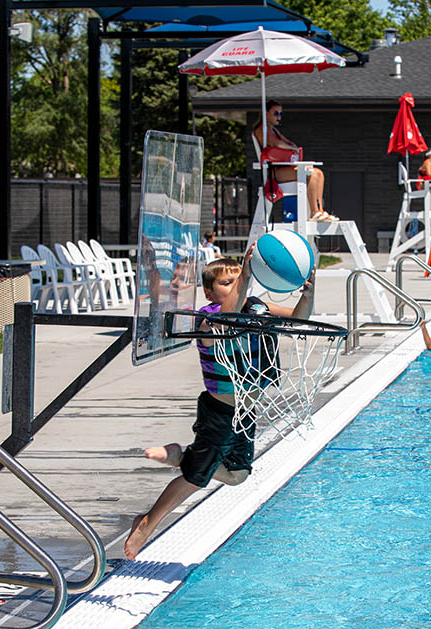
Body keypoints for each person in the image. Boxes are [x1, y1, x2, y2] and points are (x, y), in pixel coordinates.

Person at [124, 245, 316, 560]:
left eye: (237, 280)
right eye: (226, 283)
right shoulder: (208, 319)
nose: (236, 285)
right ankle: (146, 524)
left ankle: (180, 455)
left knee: (238, 475)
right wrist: (247, 272)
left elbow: (298, 320)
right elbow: (228, 318)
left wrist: (308, 293)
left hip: (246, 411)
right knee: (195, 478)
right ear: (209, 292)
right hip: (220, 411)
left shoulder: (257, 307)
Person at [252, 100, 337, 222]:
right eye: (276, 113)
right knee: (311, 174)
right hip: (274, 172)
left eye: (281, 114)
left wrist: (292, 147)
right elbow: (275, 143)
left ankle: (320, 211)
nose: (279, 117)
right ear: (266, 114)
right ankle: (314, 212)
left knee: (318, 173)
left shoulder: (274, 131)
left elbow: (288, 142)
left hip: (283, 169)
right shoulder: (261, 130)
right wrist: (292, 148)